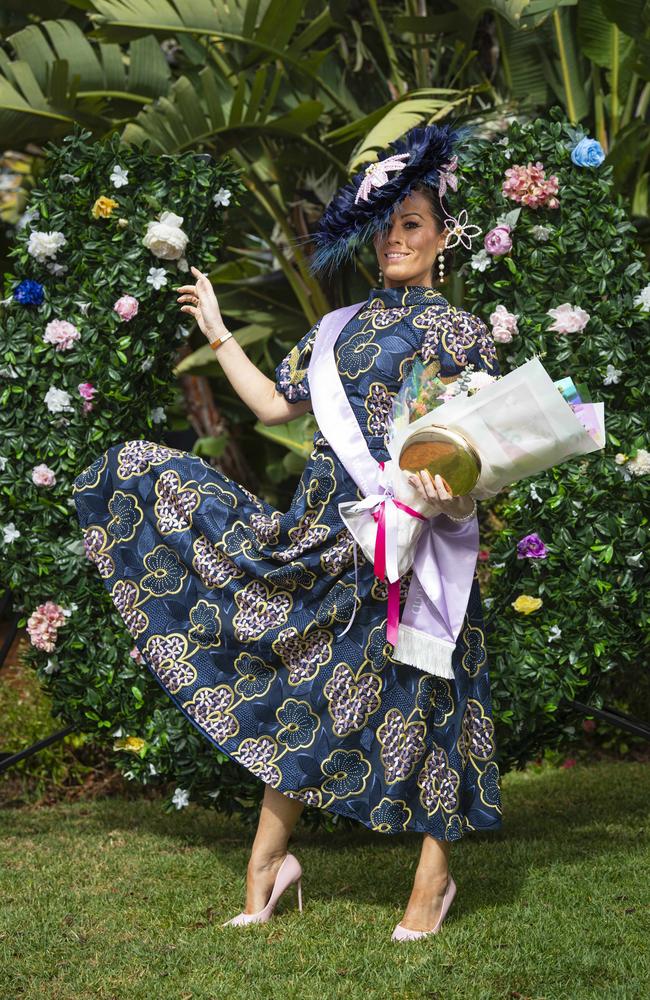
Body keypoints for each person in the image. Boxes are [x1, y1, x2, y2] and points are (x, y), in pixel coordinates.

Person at [72, 122, 502, 941]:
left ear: (445, 236)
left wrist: (439, 486)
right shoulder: (337, 327)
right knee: (304, 687)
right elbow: (273, 405)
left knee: (435, 699)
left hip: (415, 543)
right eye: (386, 225)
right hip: (324, 536)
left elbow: (479, 445)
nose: (396, 239)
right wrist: (219, 329)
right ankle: (269, 867)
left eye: (413, 223)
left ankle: (432, 882)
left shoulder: (462, 333)